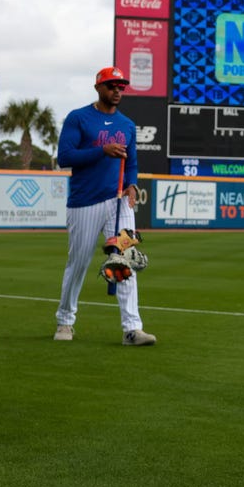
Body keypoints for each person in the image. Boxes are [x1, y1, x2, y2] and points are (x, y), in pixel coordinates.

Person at [53, 66, 156, 346]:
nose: (117, 90)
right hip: (85, 202)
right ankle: (65, 320)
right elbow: (65, 156)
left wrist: (132, 184)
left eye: (121, 86)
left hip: (119, 202)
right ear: (98, 87)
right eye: (111, 86)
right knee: (78, 263)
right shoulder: (79, 118)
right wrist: (102, 150)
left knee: (125, 260)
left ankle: (132, 329)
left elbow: (131, 163)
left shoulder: (127, 125)